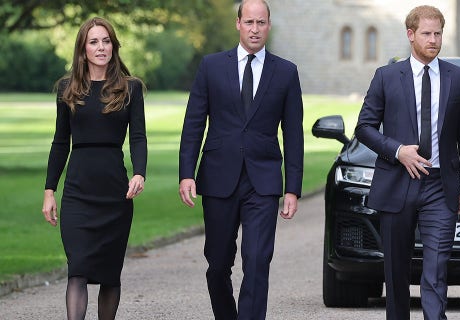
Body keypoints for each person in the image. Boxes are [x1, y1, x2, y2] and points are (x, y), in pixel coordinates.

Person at [177, 0, 303, 319]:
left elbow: (294, 133)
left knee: (258, 262)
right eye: (249, 22)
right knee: (218, 265)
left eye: (261, 23)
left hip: (263, 182)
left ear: (269, 25)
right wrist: (186, 173)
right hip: (219, 177)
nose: (255, 29)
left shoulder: (286, 72)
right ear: (238, 24)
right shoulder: (211, 66)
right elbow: (194, 123)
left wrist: (293, 188)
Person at [355, 5, 460, 320]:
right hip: (398, 183)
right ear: (410, 34)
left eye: (438, 33)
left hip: (440, 186)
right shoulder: (386, 77)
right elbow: (364, 127)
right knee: (396, 270)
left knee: (436, 267)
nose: (434, 40)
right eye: (427, 33)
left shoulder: (458, 77)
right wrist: (398, 151)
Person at [41, 17, 147, 320]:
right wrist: (50, 191)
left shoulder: (130, 88)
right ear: (82, 49)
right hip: (77, 192)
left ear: (113, 46)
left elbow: (138, 136)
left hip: (115, 192)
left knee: (110, 275)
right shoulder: (67, 88)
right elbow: (60, 142)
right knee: (78, 270)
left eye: (106, 41)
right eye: (94, 42)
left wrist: (139, 172)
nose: (101, 47)